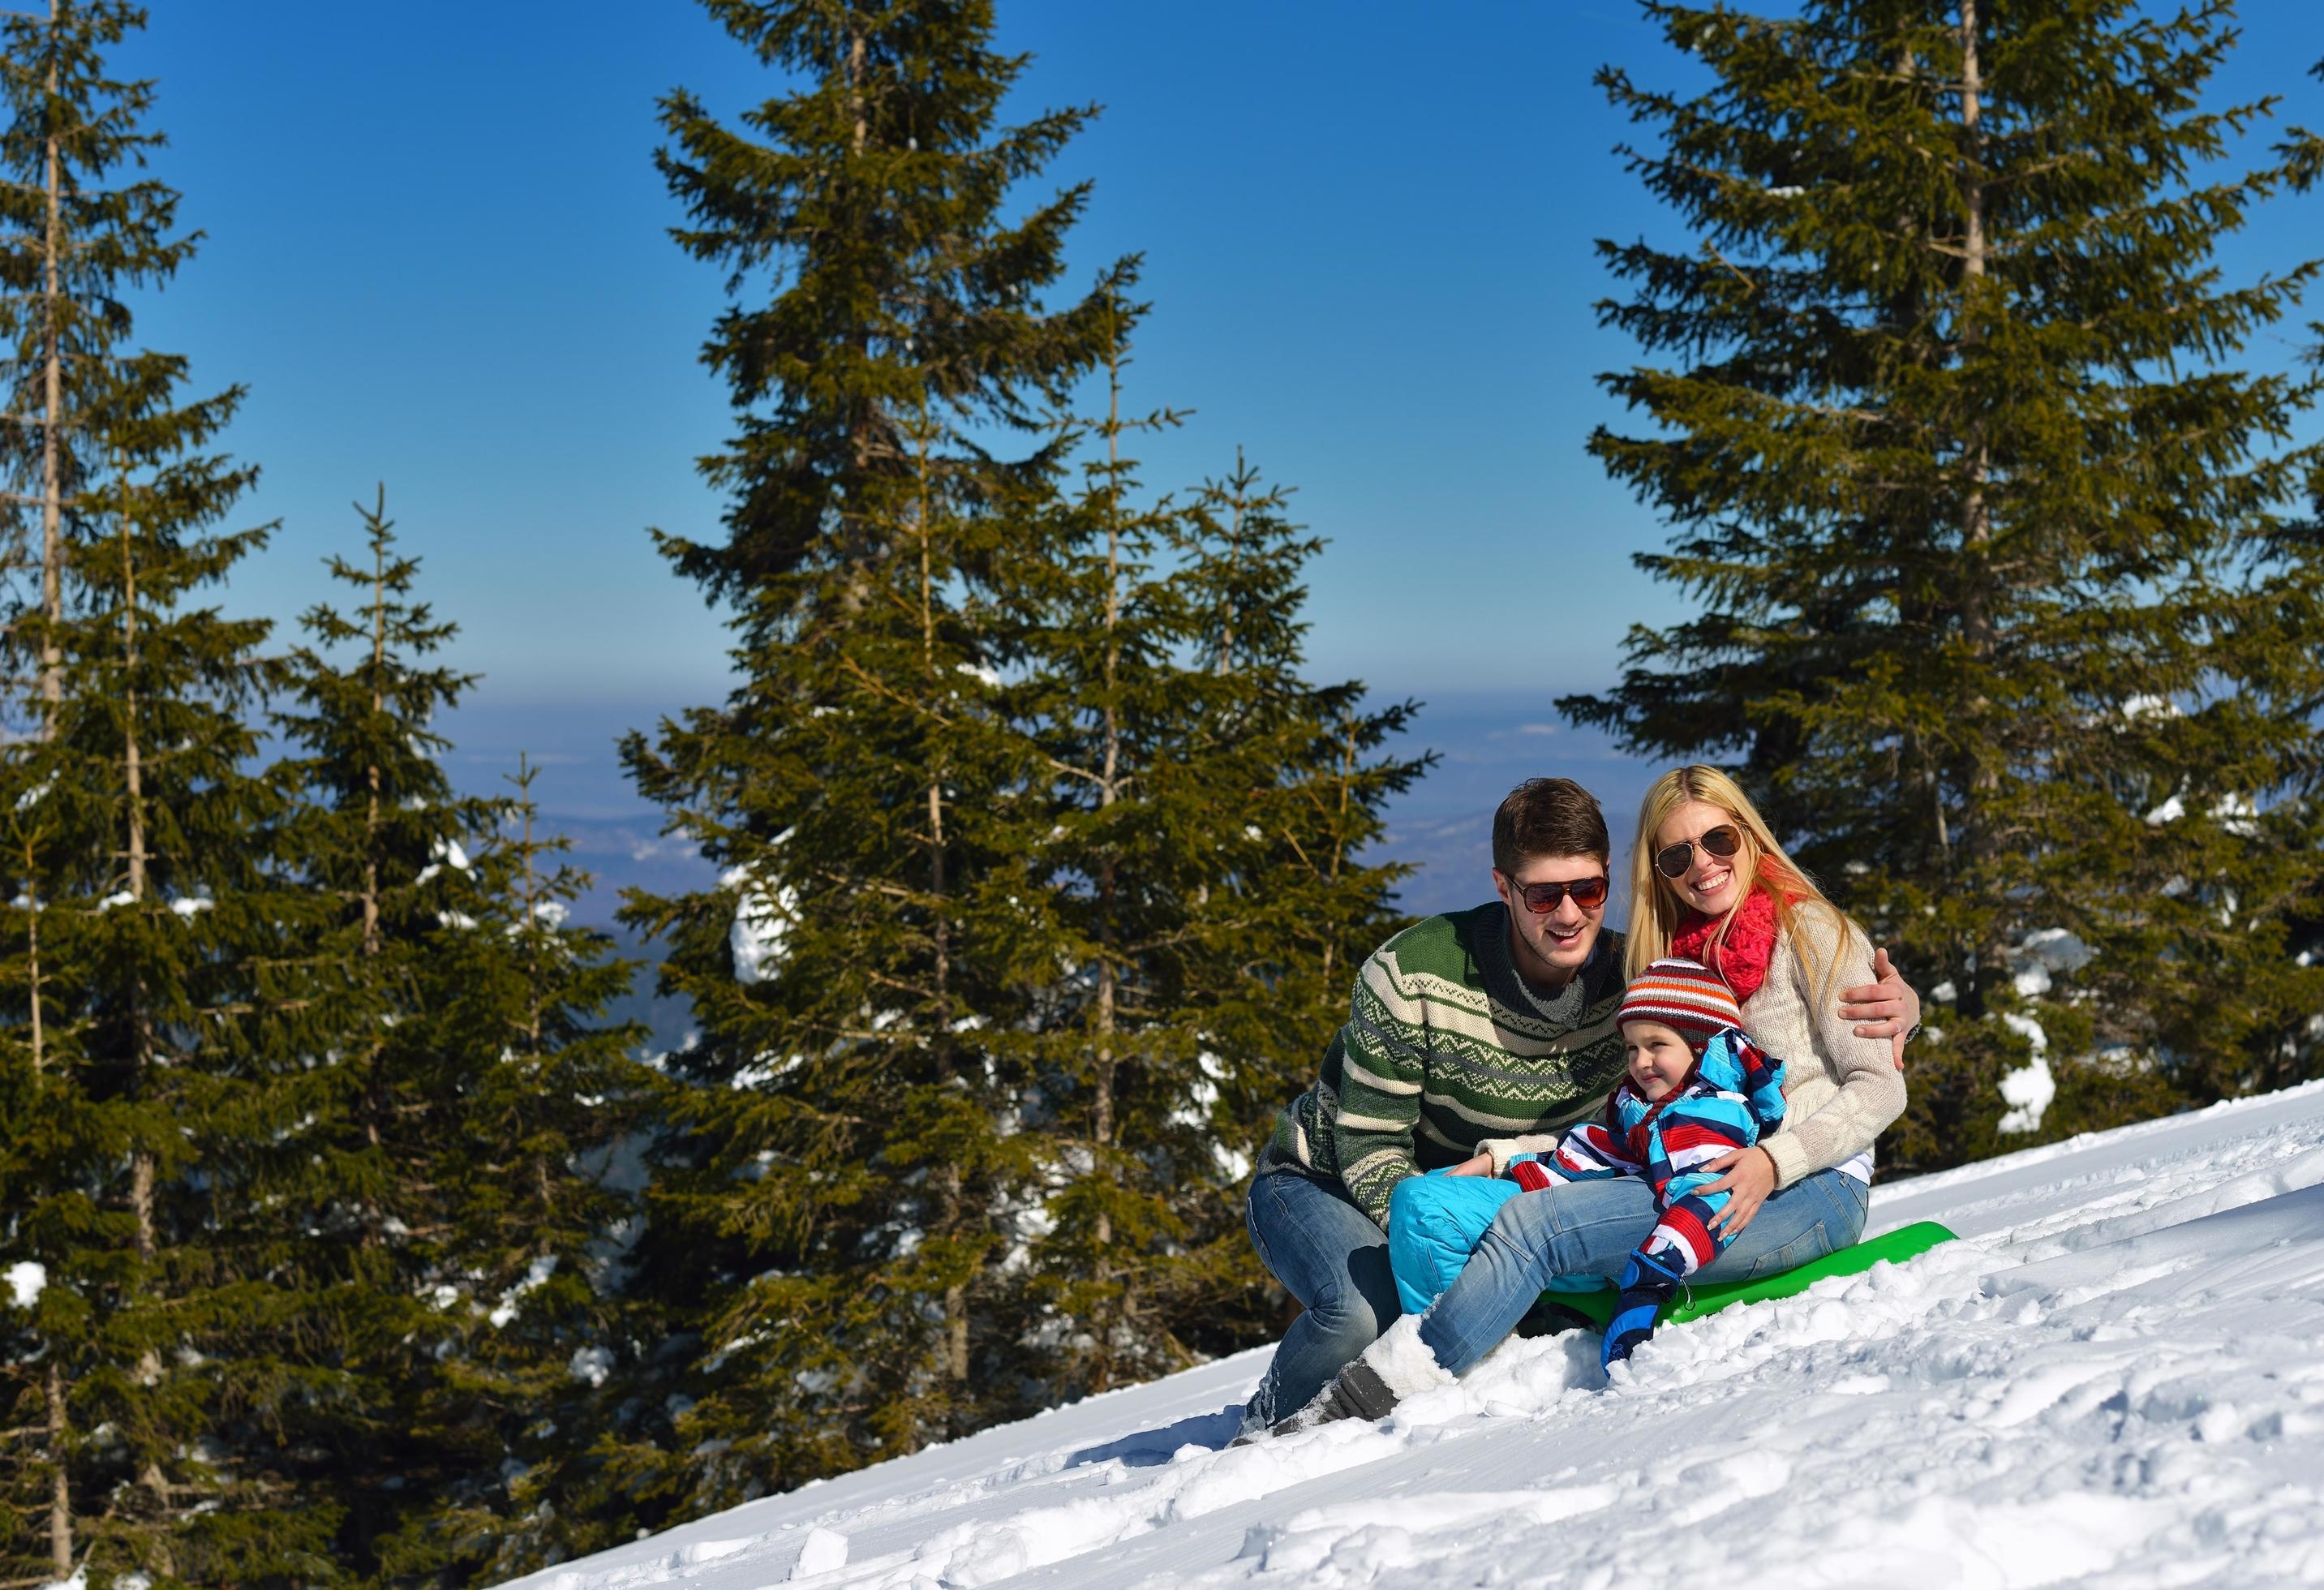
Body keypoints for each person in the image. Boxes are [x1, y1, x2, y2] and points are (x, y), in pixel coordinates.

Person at [1241, 774, 1918, 1429]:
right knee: (1365, 1312)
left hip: (1769, 1180)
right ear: (1503, 887)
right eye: (1541, 896)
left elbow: (1859, 1071)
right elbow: (1370, 1143)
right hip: (1329, 1176)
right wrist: (1464, 1210)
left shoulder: (1684, 968)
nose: (1567, 914)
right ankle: (1261, 1433)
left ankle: (1403, 1379)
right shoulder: (1422, 974)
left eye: (1587, 889)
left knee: (1507, 1260)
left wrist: (1899, 1015)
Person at [1380, 958, 1785, 1372]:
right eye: (1632, 1048)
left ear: (1702, 1047)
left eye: (1657, 1044)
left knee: (1428, 1208)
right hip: (1582, 1204)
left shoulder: (1706, 1114)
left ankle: (1444, 1359)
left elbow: (1703, 1197)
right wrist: (1518, 1163)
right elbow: (1600, 1154)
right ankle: (1457, 1347)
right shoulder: (1645, 1108)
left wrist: (1643, 1291)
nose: (1641, 1062)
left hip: (1607, 1244)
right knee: (1422, 1194)